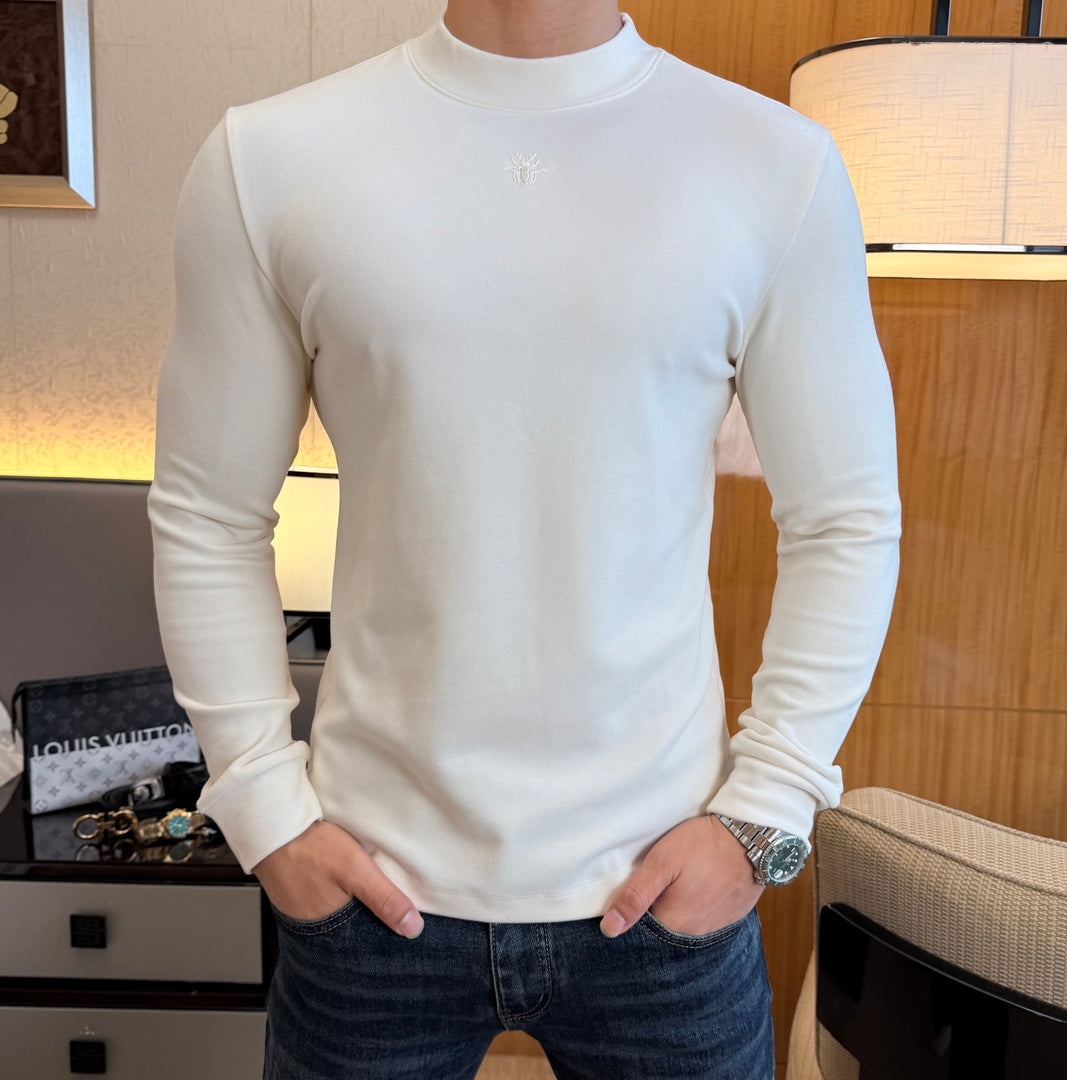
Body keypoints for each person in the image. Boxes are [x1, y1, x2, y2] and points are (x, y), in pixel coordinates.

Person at [147, 1, 901, 1076]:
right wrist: (264, 812)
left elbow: (846, 518)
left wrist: (766, 816)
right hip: (369, 896)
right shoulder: (268, 160)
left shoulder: (777, 166)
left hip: (668, 897)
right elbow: (209, 515)